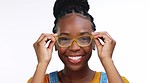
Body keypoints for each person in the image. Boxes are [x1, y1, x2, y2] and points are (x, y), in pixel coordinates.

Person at [28, 0, 129, 83]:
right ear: (55, 43)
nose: (74, 47)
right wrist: (42, 63)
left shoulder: (114, 80)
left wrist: (107, 59)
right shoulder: (40, 80)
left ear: (94, 41)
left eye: (84, 38)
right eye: (64, 39)